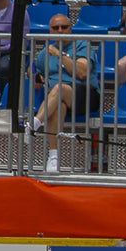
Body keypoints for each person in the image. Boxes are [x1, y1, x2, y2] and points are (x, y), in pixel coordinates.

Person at [25, 15, 94, 174]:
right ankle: (54, 158)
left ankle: (34, 124)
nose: (60, 31)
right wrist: (35, 75)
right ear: (50, 30)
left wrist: (59, 54)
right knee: (58, 107)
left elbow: (82, 73)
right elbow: (32, 68)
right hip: (59, 98)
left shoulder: (82, 45)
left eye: (64, 27)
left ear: (71, 29)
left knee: (58, 88)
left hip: (85, 94)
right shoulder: (46, 50)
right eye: (56, 28)